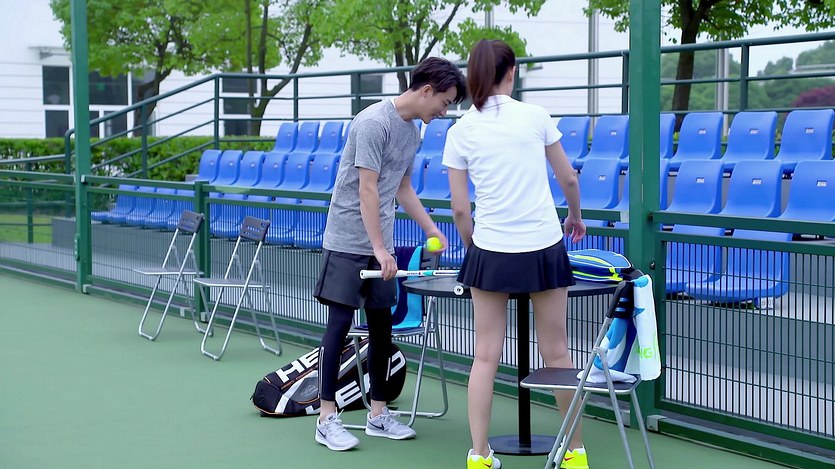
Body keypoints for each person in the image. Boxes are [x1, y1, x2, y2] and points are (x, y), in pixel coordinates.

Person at [442, 40, 588, 469]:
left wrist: (473, 246)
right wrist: (574, 216)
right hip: (544, 244)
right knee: (557, 352)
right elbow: (568, 178)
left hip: (490, 248)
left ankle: (479, 455)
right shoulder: (537, 116)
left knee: (485, 355)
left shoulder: (460, 130)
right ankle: (575, 453)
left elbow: (459, 209)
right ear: (511, 73)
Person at [313, 57, 467, 452]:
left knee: (382, 327)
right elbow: (367, 189)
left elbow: (402, 188)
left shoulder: (413, 133)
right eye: (445, 102)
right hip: (347, 240)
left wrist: (431, 229)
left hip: (380, 245)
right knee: (339, 325)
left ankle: (378, 414)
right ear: (427, 90)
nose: (444, 112)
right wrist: (380, 248)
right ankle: (326, 418)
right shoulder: (372, 123)